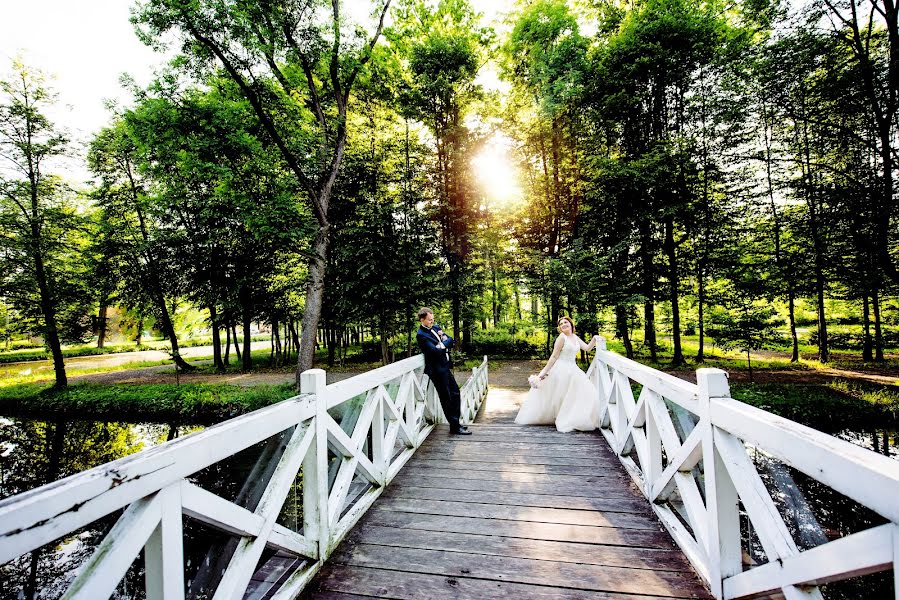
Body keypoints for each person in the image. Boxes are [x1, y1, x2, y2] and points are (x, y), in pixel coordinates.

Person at [515, 316, 600, 432]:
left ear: (571, 324)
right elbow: (554, 356)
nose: (563, 324)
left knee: (584, 391)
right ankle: (559, 416)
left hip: (573, 369)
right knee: (560, 394)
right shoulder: (561, 338)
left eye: (566, 322)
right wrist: (543, 372)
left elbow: (587, 348)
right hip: (561, 368)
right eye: (561, 324)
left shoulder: (575, 337)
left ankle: (573, 416)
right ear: (559, 328)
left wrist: (594, 338)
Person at [416, 307, 472, 435]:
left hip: (445, 366)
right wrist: (443, 344)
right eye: (429, 320)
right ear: (422, 319)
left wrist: (442, 344)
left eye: (433, 319)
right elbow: (434, 351)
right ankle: (454, 426)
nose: (432, 321)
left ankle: (456, 424)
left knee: (456, 393)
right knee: (446, 397)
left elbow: (450, 340)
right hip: (437, 371)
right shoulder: (421, 335)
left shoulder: (436, 328)